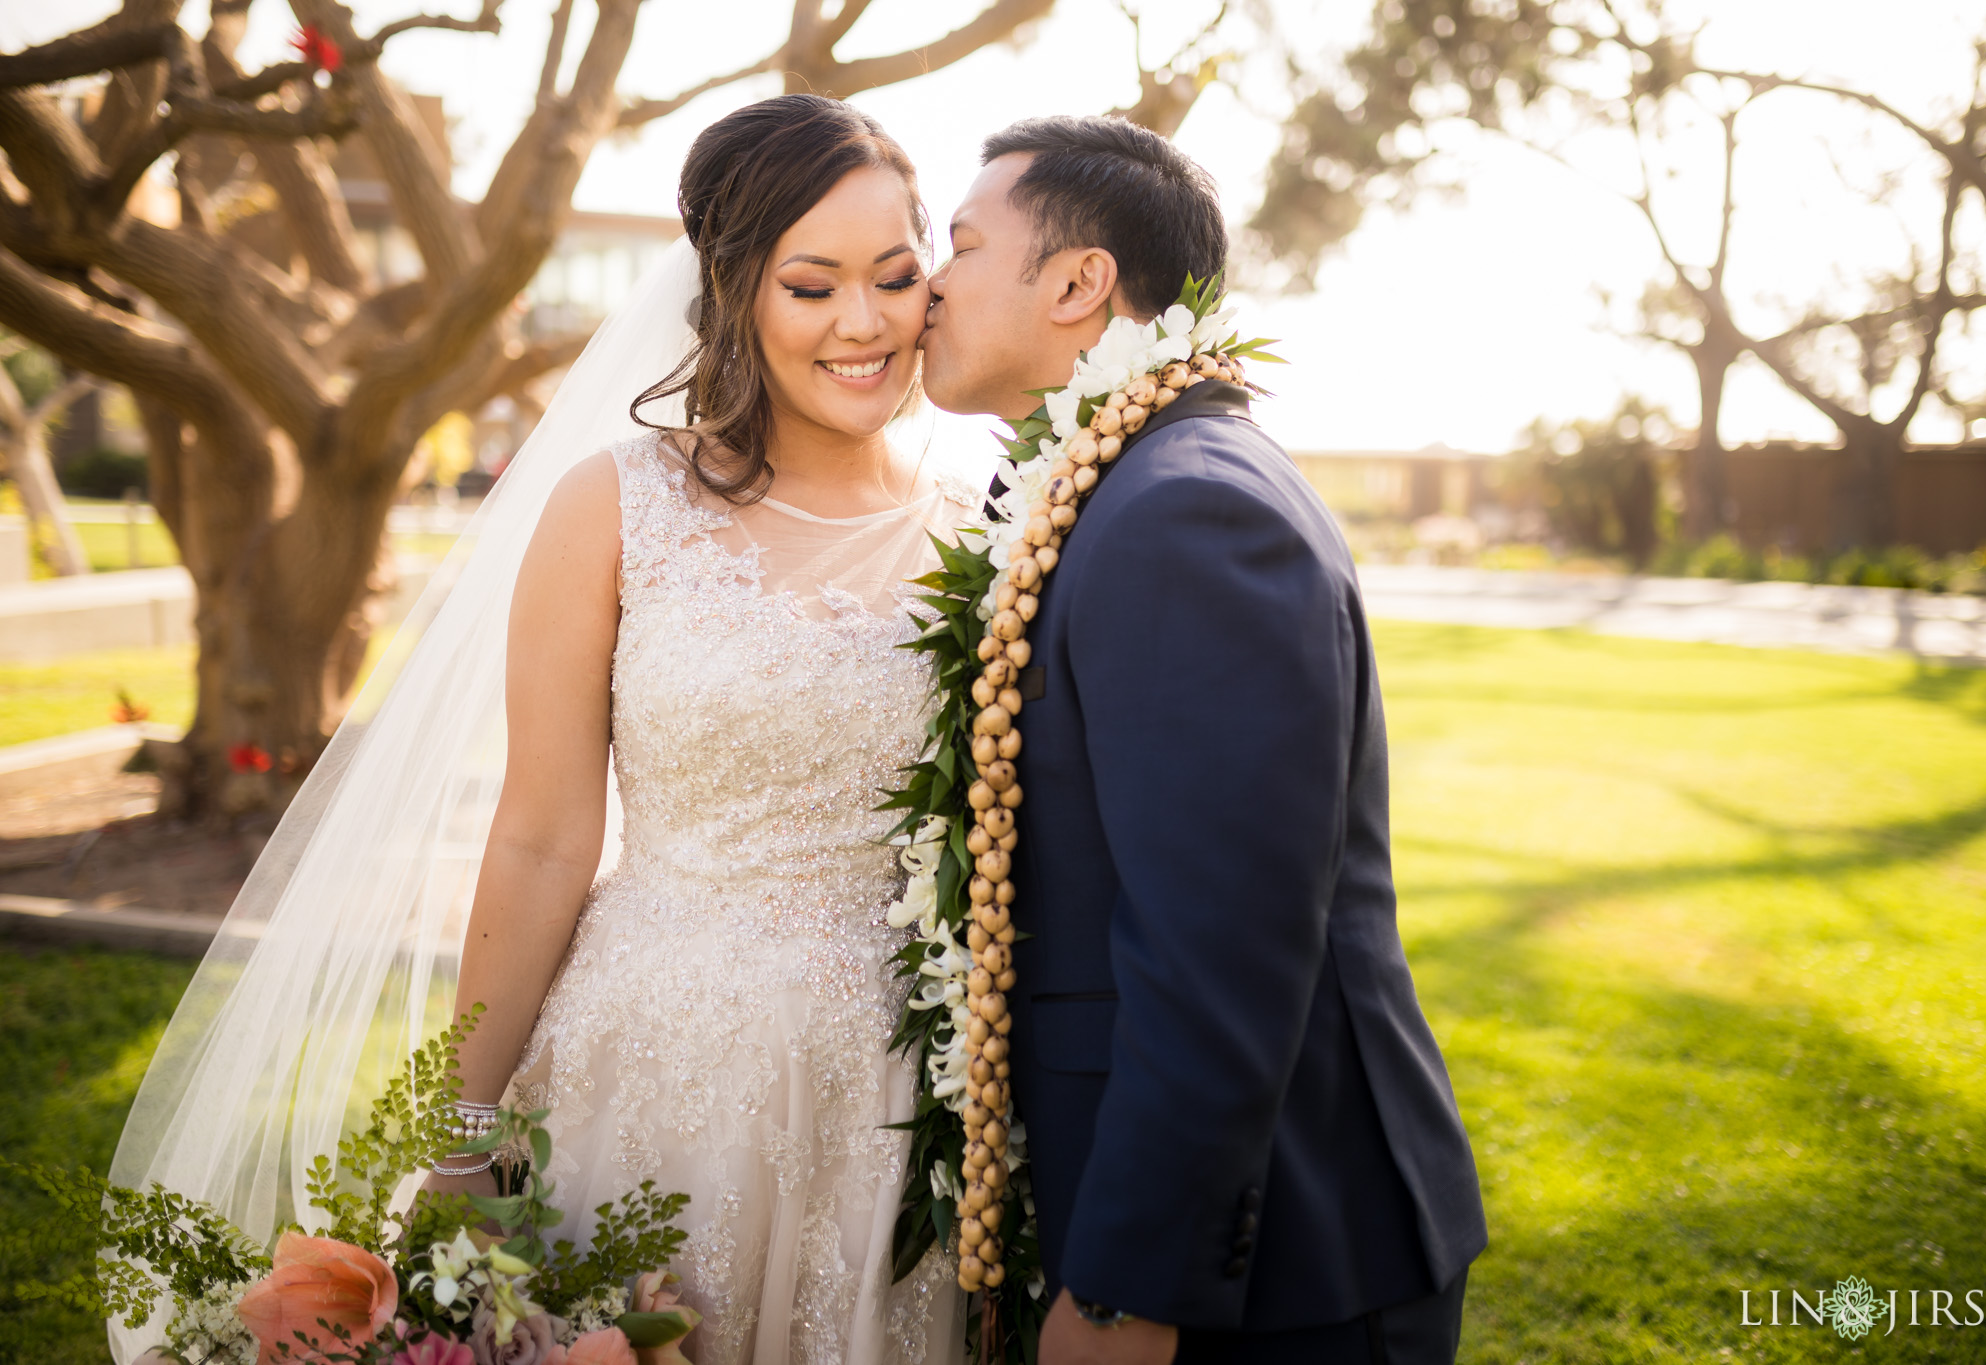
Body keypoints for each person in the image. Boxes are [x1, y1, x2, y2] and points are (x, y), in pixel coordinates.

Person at [109, 95, 975, 1365]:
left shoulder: (984, 524)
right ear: (732, 292)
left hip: (900, 1102)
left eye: (894, 278)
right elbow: (539, 838)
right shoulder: (618, 505)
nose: (863, 323)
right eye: (810, 285)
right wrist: (461, 1135)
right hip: (655, 1074)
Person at [918, 116, 1489, 1365]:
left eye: (959, 244)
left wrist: (1128, 1286)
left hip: (1277, 1272)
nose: (926, 281)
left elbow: (1218, 946)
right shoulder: (1131, 483)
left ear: (1077, 282)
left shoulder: (1187, 515)